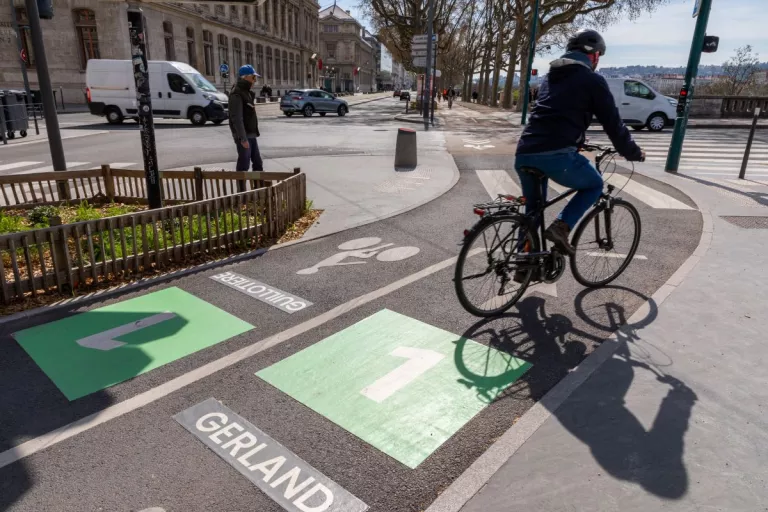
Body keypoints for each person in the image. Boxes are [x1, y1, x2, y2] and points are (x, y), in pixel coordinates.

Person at [514, 29, 644, 256]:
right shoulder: (593, 80)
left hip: (525, 151)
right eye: (599, 57)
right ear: (593, 55)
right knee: (594, 185)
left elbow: (555, 114)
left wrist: (577, 141)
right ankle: (561, 227)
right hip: (556, 155)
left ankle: (522, 264)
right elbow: (613, 123)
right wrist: (631, 151)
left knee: (532, 212)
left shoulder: (550, 78)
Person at [229, 64, 263, 192]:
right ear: (246, 77)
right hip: (245, 136)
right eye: (253, 77)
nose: (255, 80)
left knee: (258, 163)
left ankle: (258, 191)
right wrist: (242, 138)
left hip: (252, 134)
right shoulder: (237, 93)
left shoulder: (246, 92)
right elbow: (236, 118)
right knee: (244, 165)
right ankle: (242, 194)